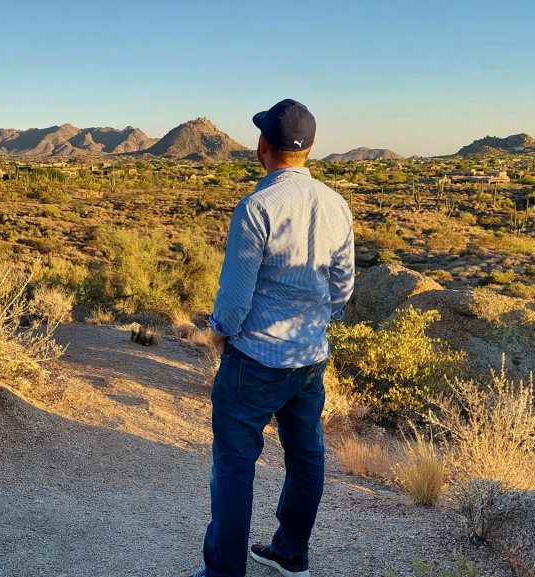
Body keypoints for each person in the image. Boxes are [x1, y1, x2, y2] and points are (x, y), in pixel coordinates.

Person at [190, 99, 355, 577]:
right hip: (308, 358)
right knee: (306, 457)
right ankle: (291, 553)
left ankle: (225, 572)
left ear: (264, 145)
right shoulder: (336, 204)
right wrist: (324, 319)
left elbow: (236, 293)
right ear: (310, 149)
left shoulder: (256, 207)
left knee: (236, 464)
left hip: (255, 359)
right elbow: (343, 282)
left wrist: (221, 333)